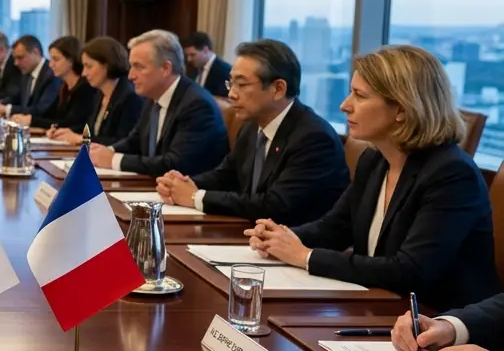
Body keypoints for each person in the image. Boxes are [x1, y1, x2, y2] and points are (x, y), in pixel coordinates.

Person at [247, 45, 497, 308]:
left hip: (440, 324)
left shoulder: (452, 174)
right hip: (381, 307)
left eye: (359, 95)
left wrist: (305, 256)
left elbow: (410, 271)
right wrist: (280, 238)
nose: (345, 105)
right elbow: (334, 229)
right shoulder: (374, 159)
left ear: (401, 109)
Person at [155, 39, 348, 224]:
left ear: (278, 89)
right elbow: (226, 175)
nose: (231, 94)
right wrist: (182, 184)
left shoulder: (314, 138)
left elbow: (274, 205)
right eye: (231, 83)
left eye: (242, 84)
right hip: (252, 235)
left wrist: (195, 196)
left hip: (292, 246)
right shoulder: (251, 126)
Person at [89, 29, 228, 177]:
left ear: (165, 69)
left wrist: (114, 160)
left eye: (139, 67)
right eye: (131, 67)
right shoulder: (153, 98)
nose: (130, 76)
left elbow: (174, 164)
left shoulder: (197, 105)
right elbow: (135, 141)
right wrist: (107, 151)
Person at [46, 37, 143, 147]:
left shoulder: (130, 97)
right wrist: (64, 132)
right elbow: (92, 132)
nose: (84, 73)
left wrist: (82, 138)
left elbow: (123, 142)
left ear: (107, 65)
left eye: (89, 66)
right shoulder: (99, 94)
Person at [16, 35, 96, 131]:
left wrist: (32, 121)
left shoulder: (86, 88)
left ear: (70, 61)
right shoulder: (64, 87)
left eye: (56, 59)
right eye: (51, 59)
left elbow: (71, 123)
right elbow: (50, 116)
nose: (51, 64)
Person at [0, 35, 61, 122]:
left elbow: (41, 110)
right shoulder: (26, 72)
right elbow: (17, 97)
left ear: (36, 52)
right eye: (15, 58)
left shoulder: (51, 74)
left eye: (20, 58)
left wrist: (7, 109)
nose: (16, 63)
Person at [185, 31, 230, 98]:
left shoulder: (224, 71)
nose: (189, 59)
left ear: (206, 50)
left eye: (192, 55)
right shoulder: (192, 68)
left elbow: (226, 101)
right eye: (187, 55)